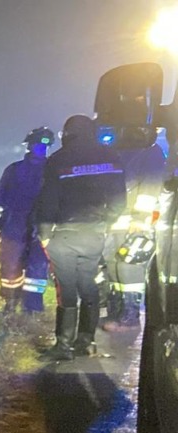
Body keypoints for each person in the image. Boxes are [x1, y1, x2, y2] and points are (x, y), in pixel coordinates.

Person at [34, 115, 128, 361]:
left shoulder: (58, 160)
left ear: (68, 134)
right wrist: (106, 221)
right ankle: (86, 342)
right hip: (95, 233)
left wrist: (44, 233)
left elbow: (48, 199)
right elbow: (119, 199)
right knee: (88, 285)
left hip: (63, 234)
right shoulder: (111, 156)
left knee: (65, 288)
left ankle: (63, 346)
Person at [0, 127, 54, 314]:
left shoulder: (54, 171)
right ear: (29, 145)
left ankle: (32, 309)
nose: (41, 149)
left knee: (37, 271)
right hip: (13, 228)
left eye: (45, 145)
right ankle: (10, 302)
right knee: (10, 267)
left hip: (41, 230)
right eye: (38, 144)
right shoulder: (14, 170)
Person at [102, 129, 166, 331]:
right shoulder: (116, 150)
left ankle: (130, 316)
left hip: (134, 221)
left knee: (129, 266)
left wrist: (140, 218)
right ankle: (116, 312)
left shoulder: (151, 152)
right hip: (113, 220)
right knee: (112, 266)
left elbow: (151, 186)